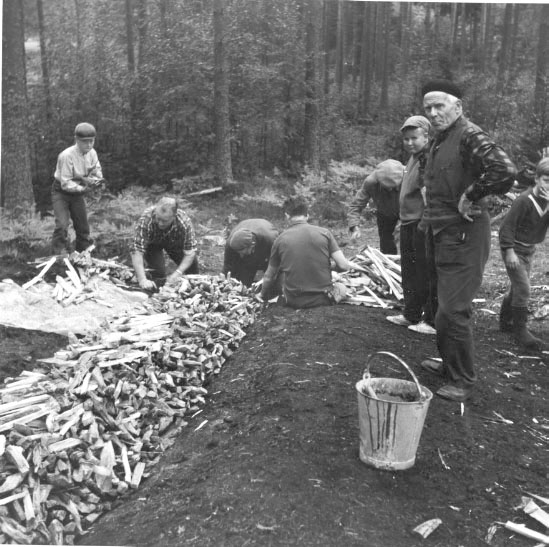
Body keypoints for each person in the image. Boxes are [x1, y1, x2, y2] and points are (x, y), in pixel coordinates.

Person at [418, 80, 517, 402]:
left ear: (457, 107)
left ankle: (462, 379)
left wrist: (472, 194)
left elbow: (504, 170)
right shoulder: (440, 138)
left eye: (440, 106)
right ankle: (449, 364)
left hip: (464, 234)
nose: (433, 113)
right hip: (440, 232)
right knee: (439, 306)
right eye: (428, 109)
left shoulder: (469, 135)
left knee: (453, 310)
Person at [386, 116, 437, 336]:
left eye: (414, 138)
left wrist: (424, 224)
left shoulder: (427, 159)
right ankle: (411, 313)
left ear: (426, 136)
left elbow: (429, 195)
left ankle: (431, 320)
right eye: (406, 139)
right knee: (409, 271)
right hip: (408, 222)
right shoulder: (413, 158)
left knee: (424, 272)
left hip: (420, 224)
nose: (409, 142)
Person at [261, 196, 359, 309]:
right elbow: (344, 266)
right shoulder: (325, 233)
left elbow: (269, 276)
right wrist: (328, 266)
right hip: (323, 299)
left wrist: (262, 295)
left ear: (287, 216)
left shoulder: (280, 239)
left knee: (283, 278)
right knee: (341, 287)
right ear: (307, 215)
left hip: (294, 301)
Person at [499, 157, 549, 350]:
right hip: (514, 249)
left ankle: (505, 321)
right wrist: (509, 251)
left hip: (529, 249)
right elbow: (506, 228)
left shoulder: (546, 202)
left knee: (518, 287)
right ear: (536, 179)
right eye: (546, 180)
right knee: (524, 288)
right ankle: (520, 330)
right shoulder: (524, 201)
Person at [51, 123, 104, 255]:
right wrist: (85, 189)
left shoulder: (92, 153)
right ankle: (59, 256)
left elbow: (97, 172)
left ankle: (83, 255)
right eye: (85, 141)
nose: (89, 145)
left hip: (78, 191)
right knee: (62, 225)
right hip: (61, 192)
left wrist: (97, 182)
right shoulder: (66, 156)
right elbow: (66, 183)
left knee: (83, 226)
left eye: (91, 141)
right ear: (76, 140)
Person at [131, 197, 199, 290]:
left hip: (175, 242)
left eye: (164, 221)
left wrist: (177, 273)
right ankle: (155, 291)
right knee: (158, 272)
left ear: (174, 216)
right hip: (153, 244)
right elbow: (136, 250)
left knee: (192, 268)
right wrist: (142, 279)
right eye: (158, 219)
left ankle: (193, 289)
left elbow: (190, 253)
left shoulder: (183, 222)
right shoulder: (146, 218)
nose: (160, 223)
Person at [348, 159, 404, 254]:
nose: (390, 190)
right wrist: (354, 226)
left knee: (410, 242)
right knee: (386, 242)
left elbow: (422, 200)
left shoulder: (409, 176)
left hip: (407, 211)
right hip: (385, 212)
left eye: (393, 187)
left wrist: (404, 223)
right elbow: (356, 205)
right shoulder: (370, 182)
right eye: (386, 187)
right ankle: (388, 260)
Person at [222, 219, 278, 287]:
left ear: (252, 245)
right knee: (241, 277)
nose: (241, 255)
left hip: (265, 237)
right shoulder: (231, 245)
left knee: (273, 280)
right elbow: (228, 267)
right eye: (238, 253)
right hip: (246, 228)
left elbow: (276, 264)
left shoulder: (271, 241)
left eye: (242, 252)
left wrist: (267, 279)